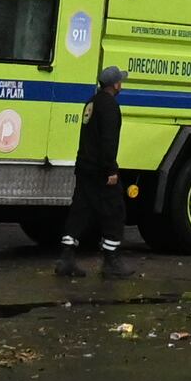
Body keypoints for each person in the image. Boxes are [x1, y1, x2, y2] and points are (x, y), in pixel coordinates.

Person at [57, 68, 131, 279]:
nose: (121, 85)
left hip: (84, 167)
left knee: (80, 211)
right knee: (115, 212)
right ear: (115, 85)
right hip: (100, 170)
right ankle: (111, 260)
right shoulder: (110, 107)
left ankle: (66, 258)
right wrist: (111, 170)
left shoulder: (91, 102)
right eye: (120, 82)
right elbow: (108, 141)